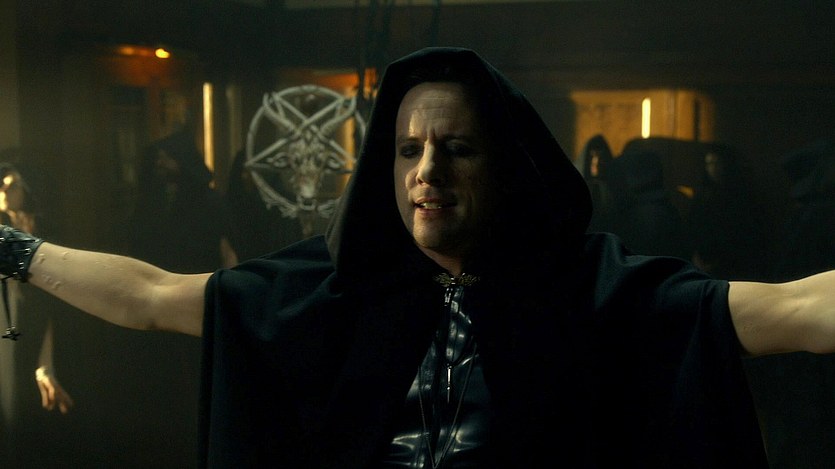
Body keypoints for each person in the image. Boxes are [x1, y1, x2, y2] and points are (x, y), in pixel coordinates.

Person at [2, 47, 835, 468]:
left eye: (456, 149)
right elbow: (151, 294)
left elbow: (796, 308)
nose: (427, 172)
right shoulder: (328, 290)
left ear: (502, 167)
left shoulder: (595, 289)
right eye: (407, 150)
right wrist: (12, 247)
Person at [0, 162, 73, 464]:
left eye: (12, 185)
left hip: (35, 321)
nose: (5, 191)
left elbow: (48, 303)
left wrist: (45, 365)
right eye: (1, 186)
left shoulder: (42, 229)